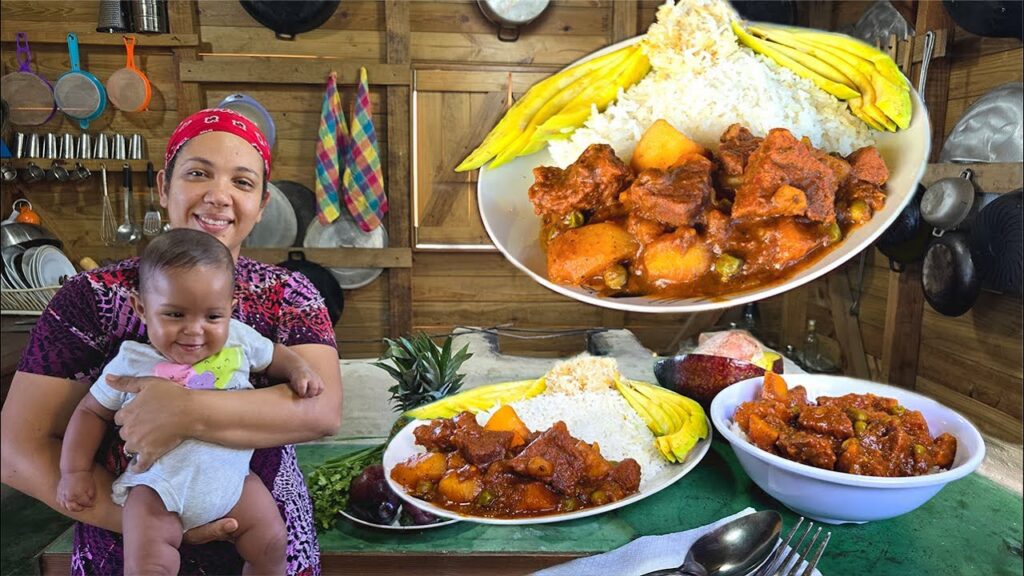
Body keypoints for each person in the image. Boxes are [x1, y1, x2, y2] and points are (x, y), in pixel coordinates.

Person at [1, 108, 343, 575]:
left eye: (242, 183)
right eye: (199, 173)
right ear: (164, 186)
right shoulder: (92, 298)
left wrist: (184, 412)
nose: (218, 195)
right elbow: (17, 449)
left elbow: (321, 412)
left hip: (266, 526)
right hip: (128, 540)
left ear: (262, 204)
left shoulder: (289, 294)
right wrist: (144, 523)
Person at [57, 229, 324, 575]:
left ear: (231, 309)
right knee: (148, 564)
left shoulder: (240, 341)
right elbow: (91, 411)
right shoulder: (131, 361)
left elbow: (275, 355)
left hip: (235, 484)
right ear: (141, 308)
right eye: (175, 315)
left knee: (273, 543)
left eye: (213, 317)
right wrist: (74, 471)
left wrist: (299, 369)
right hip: (156, 491)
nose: (194, 330)